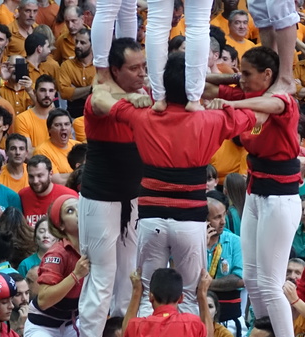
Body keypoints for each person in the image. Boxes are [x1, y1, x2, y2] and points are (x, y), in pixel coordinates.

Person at [92, 52, 256, 315]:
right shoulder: (213, 118)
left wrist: (130, 97)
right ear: (195, 87)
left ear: (163, 85)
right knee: (190, 295)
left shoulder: (142, 114)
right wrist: (226, 99)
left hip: (151, 217)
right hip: (189, 220)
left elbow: (98, 96)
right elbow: (258, 112)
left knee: (147, 295)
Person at [214, 47, 302, 337]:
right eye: (240, 72)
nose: (241, 78)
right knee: (252, 279)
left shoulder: (282, 100)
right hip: (255, 193)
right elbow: (208, 88)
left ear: (267, 75)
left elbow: (274, 104)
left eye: (247, 73)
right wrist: (224, 79)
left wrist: (230, 105)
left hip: (280, 198)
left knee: (270, 282)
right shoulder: (247, 94)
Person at [78, 37, 145, 337]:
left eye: (144, 67)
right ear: (114, 70)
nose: (142, 74)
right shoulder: (99, 95)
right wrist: (130, 101)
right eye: (134, 68)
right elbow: (101, 102)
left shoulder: (144, 94)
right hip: (100, 199)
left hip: (132, 199)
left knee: (129, 278)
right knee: (101, 278)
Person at [24, 195, 88, 337]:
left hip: (70, 325)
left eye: (79, 208)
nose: (78, 213)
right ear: (60, 226)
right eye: (70, 211)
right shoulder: (56, 254)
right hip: (41, 328)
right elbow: (43, 300)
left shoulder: (91, 246)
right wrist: (76, 275)